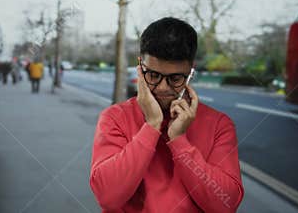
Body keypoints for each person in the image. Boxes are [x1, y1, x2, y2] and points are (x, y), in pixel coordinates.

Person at [89, 17, 244, 213]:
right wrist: (152, 126)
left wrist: (179, 141)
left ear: (190, 72)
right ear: (140, 67)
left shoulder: (219, 125)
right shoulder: (114, 118)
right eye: (153, 75)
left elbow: (225, 205)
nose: (162, 88)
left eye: (176, 78)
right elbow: (108, 198)